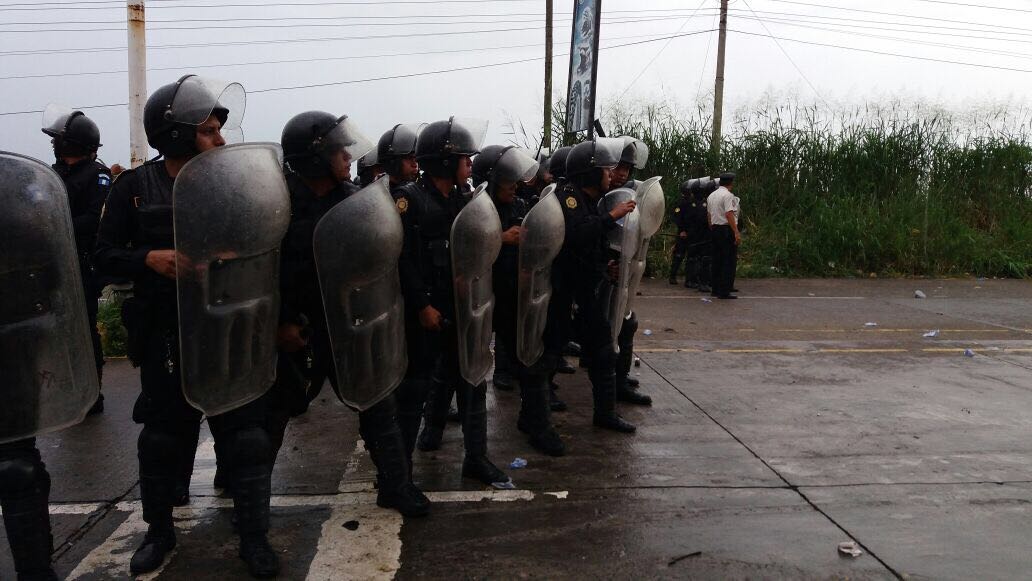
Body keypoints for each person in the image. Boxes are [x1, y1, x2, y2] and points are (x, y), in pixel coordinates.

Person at [94, 75, 280, 577]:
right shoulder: (134, 187)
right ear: (175, 134)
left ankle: (254, 536)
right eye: (208, 130)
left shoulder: (234, 182)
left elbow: (266, 246)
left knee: (245, 438)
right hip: (167, 334)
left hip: (228, 329)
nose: (220, 139)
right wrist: (146, 258)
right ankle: (158, 533)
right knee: (161, 440)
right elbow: (101, 256)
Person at [277, 110, 429, 516]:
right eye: (338, 150)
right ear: (313, 158)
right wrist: (281, 322)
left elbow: (383, 263)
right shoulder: (278, 203)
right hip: (292, 331)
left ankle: (395, 486)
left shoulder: (355, 201)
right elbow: (261, 272)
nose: (348, 157)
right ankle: (247, 510)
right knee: (266, 425)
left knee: (379, 406)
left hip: (349, 325)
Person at [2, 151, 101, 581]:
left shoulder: (17, 222)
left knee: (16, 468)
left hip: (9, 357)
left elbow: (51, 278)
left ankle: (35, 570)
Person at [395, 117, 510, 487]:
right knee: (414, 393)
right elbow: (402, 261)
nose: (470, 165)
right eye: (464, 159)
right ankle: (399, 476)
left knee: (473, 383)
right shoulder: (409, 201)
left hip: (463, 310)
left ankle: (475, 458)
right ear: (446, 162)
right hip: (426, 313)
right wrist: (421, 307)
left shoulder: (467, 200)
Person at [475, 145, 565, 456]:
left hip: (517, 295)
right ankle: (433, 429)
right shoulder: (475, 209)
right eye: (507, 181)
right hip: (486, 299)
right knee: (455, 372)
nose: (514, 186)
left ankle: (534, 422)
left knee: (532, 360)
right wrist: (498, 238)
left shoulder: (517, 205)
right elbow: (460, 247)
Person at [558, 138, 638, 433]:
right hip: (565, 292)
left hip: (586, 288)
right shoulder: (568, 197)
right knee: (546, 358)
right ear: (590, 173)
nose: (612, 175)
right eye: (606, 170)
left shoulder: (589, 200)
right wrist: (611, 216)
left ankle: (605, 413)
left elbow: (593, 245)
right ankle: (534, 420)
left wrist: (607, 265)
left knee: (603, 351)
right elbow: (577, 234)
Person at [41, 106, 110, 415]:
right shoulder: (53, 174)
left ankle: (92, 393)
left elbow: (94, 221)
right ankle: (68, 390)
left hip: (82, 263)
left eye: (60, 141)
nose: (56, 145)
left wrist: (54, 225)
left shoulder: (98, 175)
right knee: (57, 330)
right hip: (52, 264)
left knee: (83, 329)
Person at [707, 172, 741, 300]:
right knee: (728, 260)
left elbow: (709, 216)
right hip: (726, 229)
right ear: (731, 183)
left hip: (715, 229)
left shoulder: (711, 195)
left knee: (716, 260)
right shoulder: (728, 196)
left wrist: (712, 227)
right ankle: (724, 290)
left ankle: (715, 289)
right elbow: (729, 214)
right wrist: (736, 232)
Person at [668, 179, 696, 285]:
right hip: (683, 233)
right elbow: (677, 217)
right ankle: (672, 276)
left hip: (692, 232)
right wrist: (683, 230)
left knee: (691, 256)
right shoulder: (680, 203)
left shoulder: (692, 202)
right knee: (679, 255)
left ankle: (689, 278)